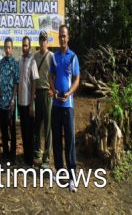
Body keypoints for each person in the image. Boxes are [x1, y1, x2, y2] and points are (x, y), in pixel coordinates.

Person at [49, 25, 80, 192]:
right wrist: (54, 91)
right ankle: (60, 172)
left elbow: (77, 79)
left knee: (69, 141)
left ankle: (72, 176)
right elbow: (50, 76)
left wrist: (68, 93)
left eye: (64, 36)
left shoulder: (73, 56)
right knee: (56, 141)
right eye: (60, 36)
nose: (62, 38)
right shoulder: (54, 57)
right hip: (56, 106)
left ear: (68, 38)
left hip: (68, 106)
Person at [18, 36, 39, 167]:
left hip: (28, 102)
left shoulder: (33, 61)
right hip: (20, 101)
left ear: (29, 47)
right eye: (23, 45)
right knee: (23, 130)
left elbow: (35, 82)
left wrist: (32, 103)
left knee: (30, 131)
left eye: (26, 45)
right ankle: (25, 157)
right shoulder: (20, 60)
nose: (24, 47)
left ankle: (30, 160)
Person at [34, 31, 53, 169]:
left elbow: (56, 74)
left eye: (44, 40)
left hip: (47, 93)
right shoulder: (35, 56)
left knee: (47, 127)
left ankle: (46, 157)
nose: (42, 42)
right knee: (37, 125)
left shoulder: (51, 56)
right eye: (41, 39)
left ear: (47, 41)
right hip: (37, 93)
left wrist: (54, 89)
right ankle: (37, 153)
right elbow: (34, 77)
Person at [0, 37, 19, 163]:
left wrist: (13, 99)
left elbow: (16, 83)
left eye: (9, 47)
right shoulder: (0, 63)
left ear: (12, 48)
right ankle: (5, 153)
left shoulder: (15, 63)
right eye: (5, 47)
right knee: (3, 129)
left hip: (10, 102)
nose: (7, 49)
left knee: (12, 129)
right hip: (1, 102)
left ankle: (13, 154)